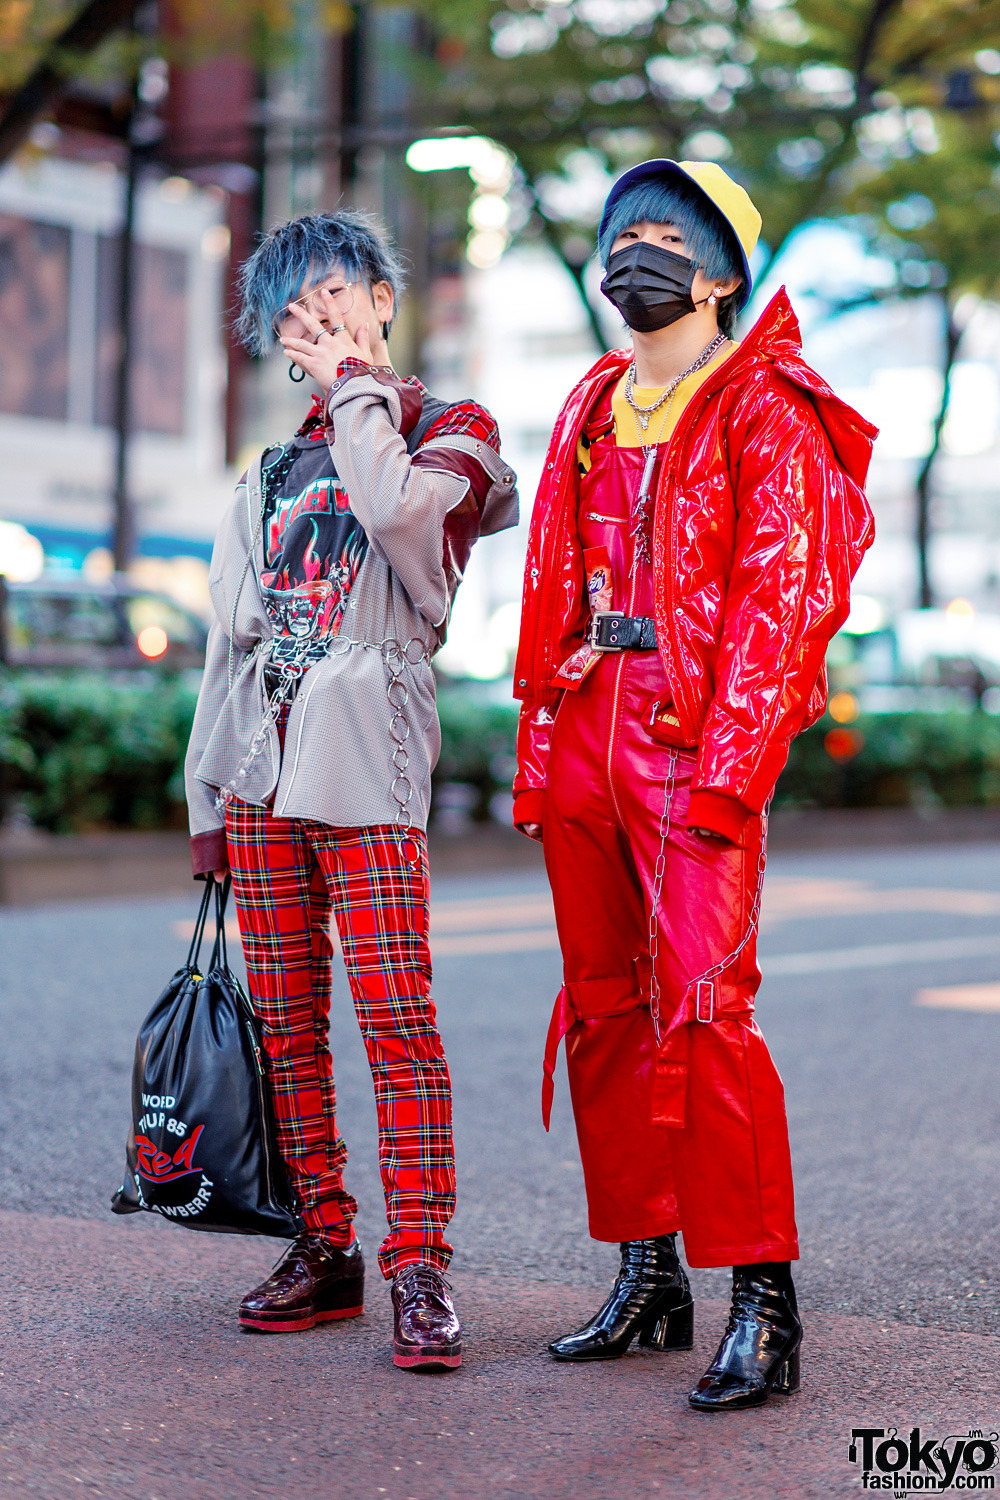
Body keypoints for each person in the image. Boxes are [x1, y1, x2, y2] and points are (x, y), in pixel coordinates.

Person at [512, 160, 876, 1410]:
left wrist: (731, 769)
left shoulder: (768, 405)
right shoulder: (591, 399)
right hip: (583, 731)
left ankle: (763, 1302)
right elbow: (553, 586)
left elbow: (787, 606)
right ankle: (647, 1272)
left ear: (723, 271)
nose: (638, 253)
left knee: (706, 1015)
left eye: (670, 236)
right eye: (623, 234)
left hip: (688, 739)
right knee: (604, 1010)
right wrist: (540, 741)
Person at [185, 209, 518, 1371]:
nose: (317, 317)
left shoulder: (451, 430)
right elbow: (227, 646)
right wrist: (204, 802)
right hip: (259, 780)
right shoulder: (269, 469)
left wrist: (358, 391)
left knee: (396, 1018)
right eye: (292, 308)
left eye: (334, 291)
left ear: (382, 297)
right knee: (284, 1025)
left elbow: (399, 525)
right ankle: (323, 1244)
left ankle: (418, 1263)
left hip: (367, 762)